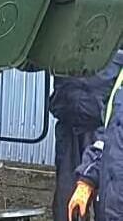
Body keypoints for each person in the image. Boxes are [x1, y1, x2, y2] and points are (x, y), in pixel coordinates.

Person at [52, 50, 123, 221]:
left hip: (104, 128)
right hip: (70, 125)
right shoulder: (64, 32)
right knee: (67, 205)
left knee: (107, 202)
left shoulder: (114, 31)